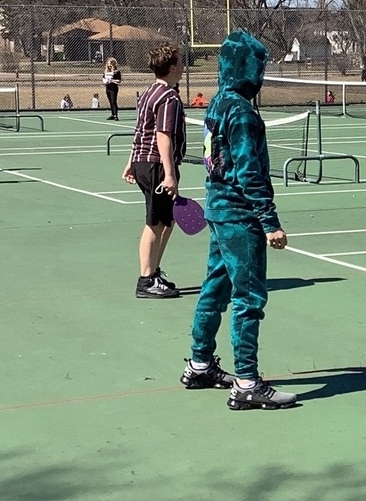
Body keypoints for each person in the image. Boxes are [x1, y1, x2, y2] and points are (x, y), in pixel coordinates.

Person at [182, 31, 296, 410]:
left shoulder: (217, 104)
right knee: (248, 298)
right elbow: (250, 172)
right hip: (238, 215)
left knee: (214, 289)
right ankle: (247, 381)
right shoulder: (243, 113)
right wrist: (269, 222)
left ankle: (200, 364)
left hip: (217, 208)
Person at [122, 43, 186, 299]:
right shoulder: (167, 97)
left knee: (168, 221)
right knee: (156, 223)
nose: (183, 66)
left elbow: (141, 130)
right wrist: (169, 174)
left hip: (144, 162)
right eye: (181, 62)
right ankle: (146, 280)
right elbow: (162, 135)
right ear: (172, 67)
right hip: (155, 165)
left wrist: (131, 161)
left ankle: (154, 273)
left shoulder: (149, 92)